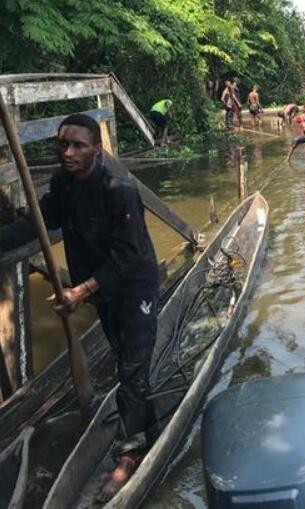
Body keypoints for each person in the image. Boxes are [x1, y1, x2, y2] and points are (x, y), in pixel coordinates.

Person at [0, 114, 160, 502]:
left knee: (132, 366)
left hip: (133, 285)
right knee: (125, 358)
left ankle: (131, 451)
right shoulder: (63, 183)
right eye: (62, 144)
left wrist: (80, 291)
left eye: (77, 146)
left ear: (97, 149)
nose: (67, 152)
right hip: (101, 290)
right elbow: (42, 220)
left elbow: (129, 254)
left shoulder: (118, 189)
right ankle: (146, 424)